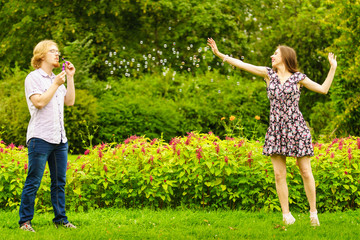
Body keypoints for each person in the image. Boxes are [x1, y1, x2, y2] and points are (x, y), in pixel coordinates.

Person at [207, 38, 337, 226]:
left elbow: (323, 89)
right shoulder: (268, 74)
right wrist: (220, 55)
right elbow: (243, 65)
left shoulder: (299, 78)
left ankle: (313, 213)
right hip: (276, 130)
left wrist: (332, 67)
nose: (272, 56)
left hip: (297, 128)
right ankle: (286, 215)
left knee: (306, 172)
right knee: (278, 174)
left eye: (275, 53)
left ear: (285, 57)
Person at [19, 40, 77, 232]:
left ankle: (61, 219)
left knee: (59, 182)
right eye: (53, 51)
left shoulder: (58, 79)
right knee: (34, 181)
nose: (57, 54)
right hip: (40, 138)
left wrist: (69, 78)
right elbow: (40, 102)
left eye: (58, 52)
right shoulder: (33, 78)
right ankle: (25, 222)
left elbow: (69, 101)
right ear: (41, 55)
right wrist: (55, 83)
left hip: (60, 139)